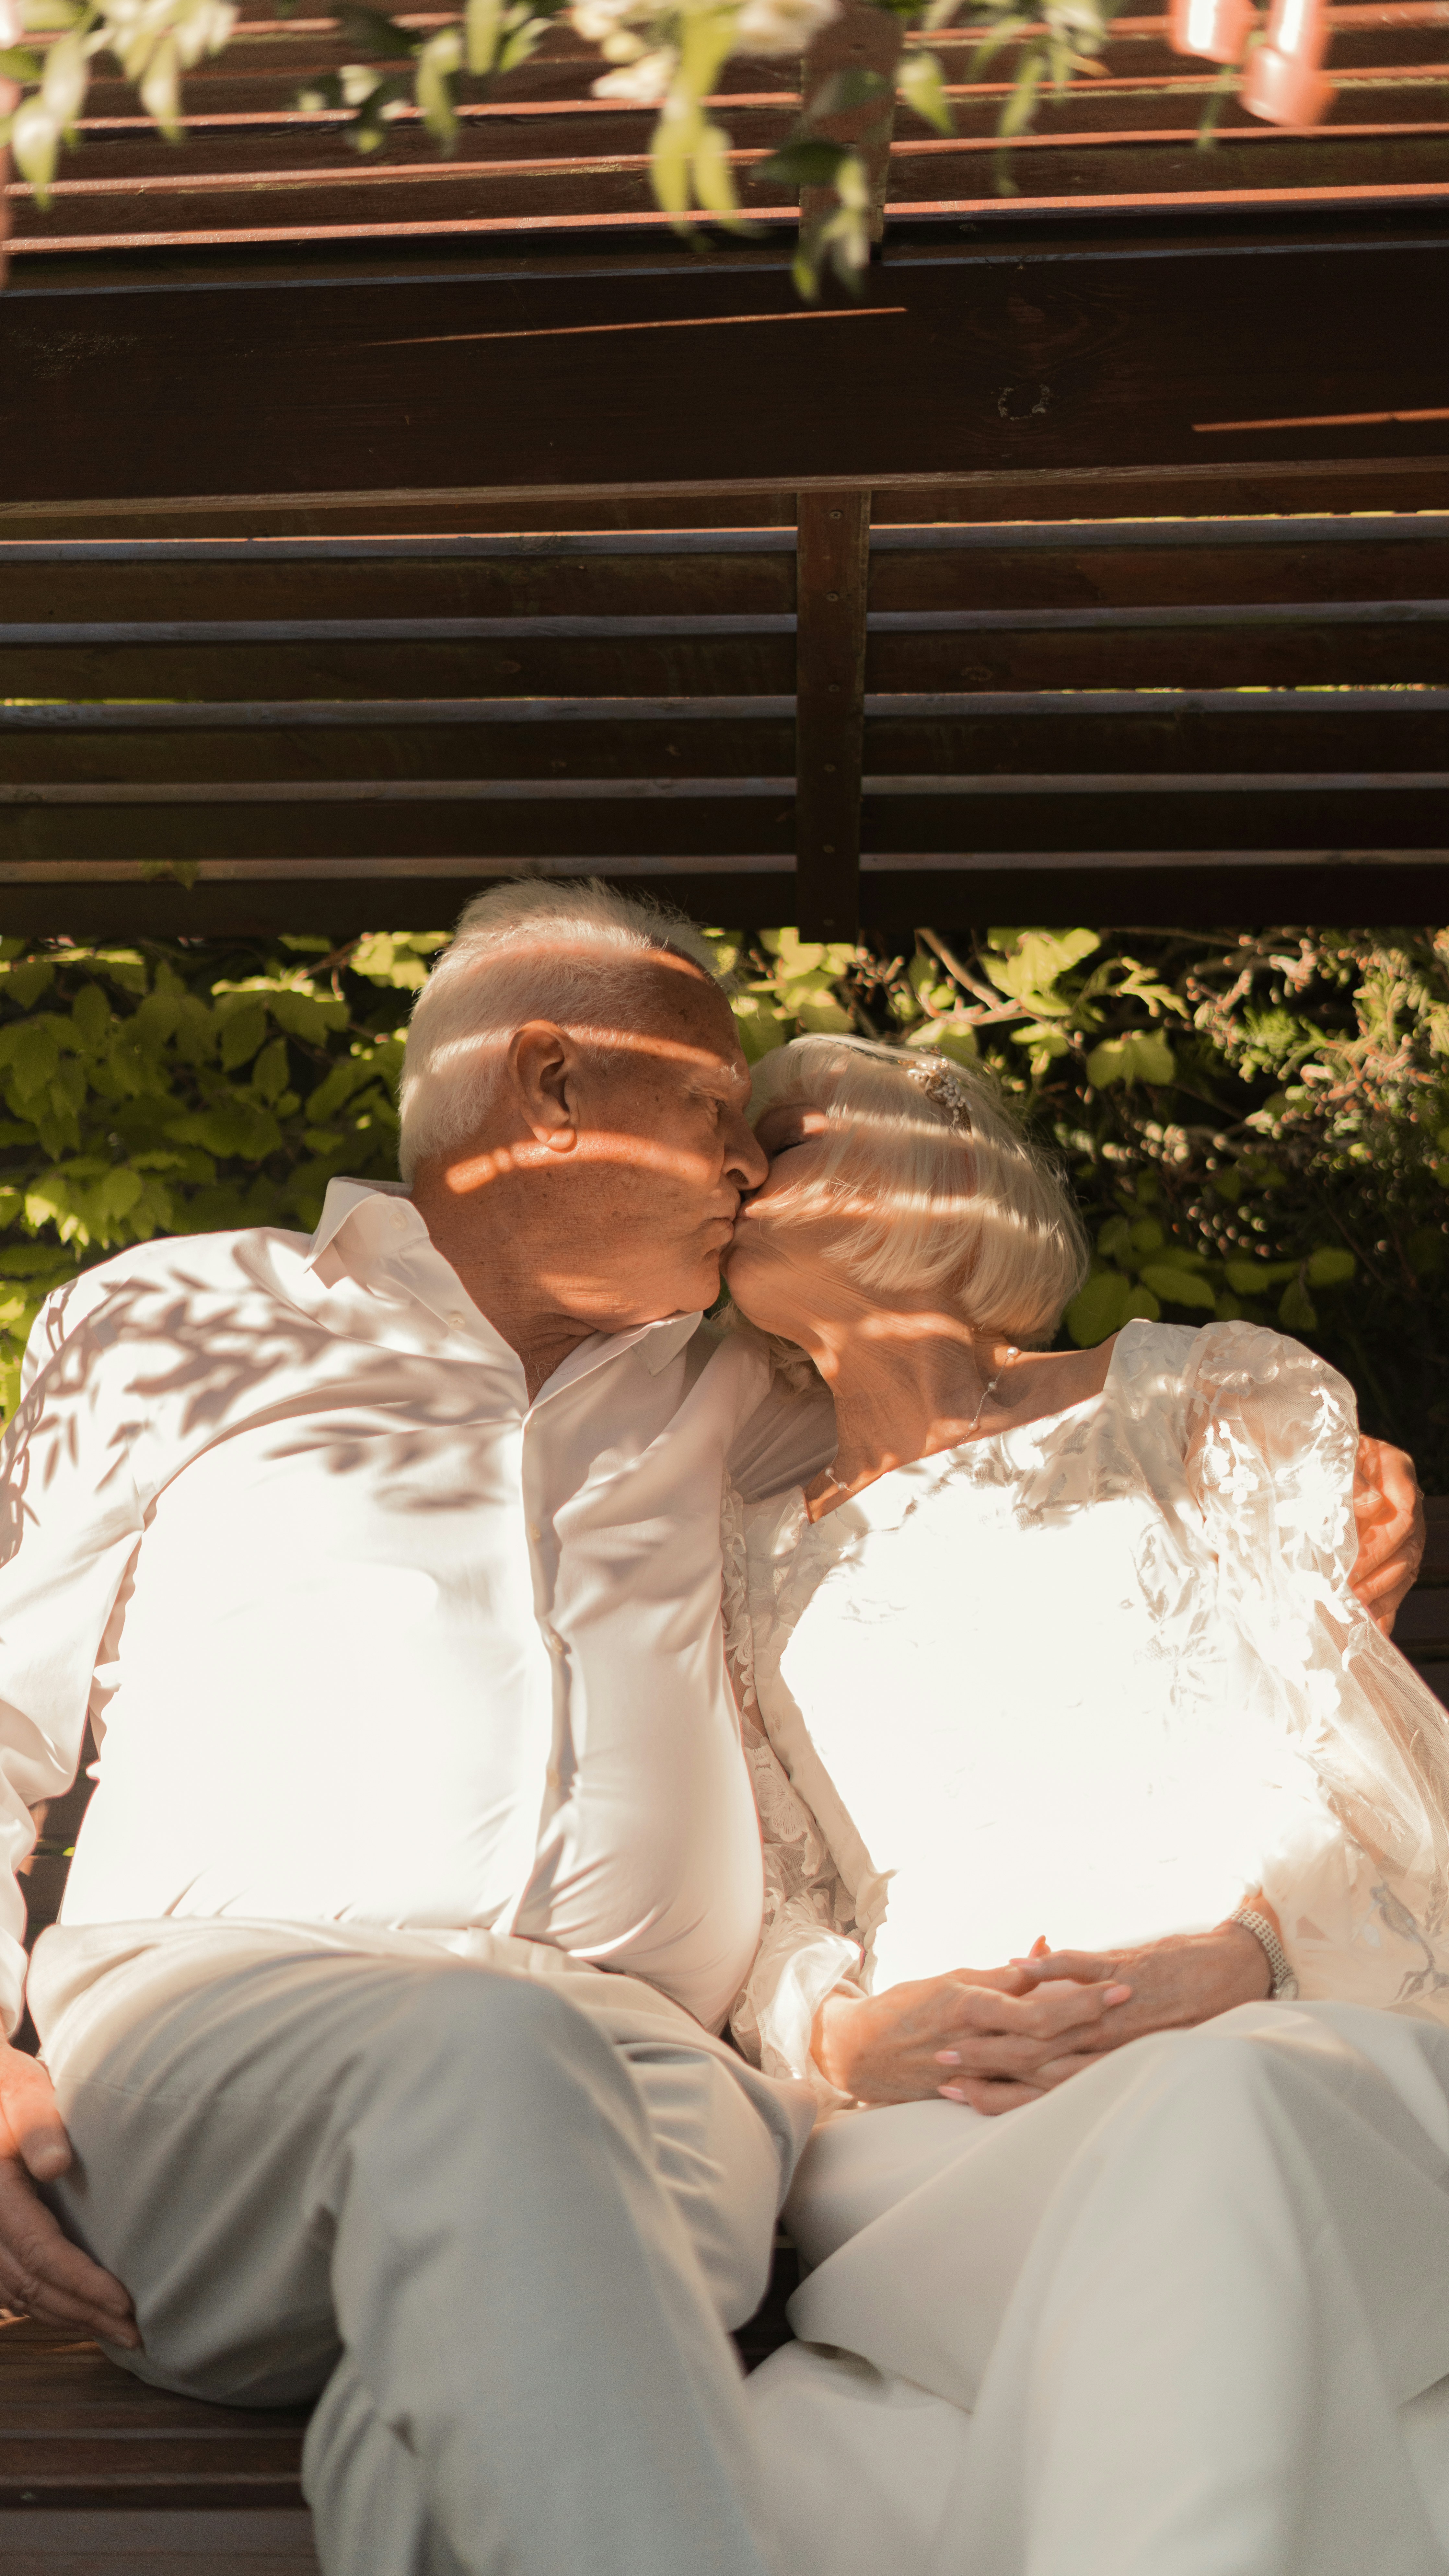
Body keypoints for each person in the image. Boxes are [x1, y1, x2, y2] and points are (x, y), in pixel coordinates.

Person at [0, 891, 1422, 2576]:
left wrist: (1272, 1456)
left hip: (662, 2078)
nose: (748, 1168)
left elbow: (990, 1413)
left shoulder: (736, 1401)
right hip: (223, 2030)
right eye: (713, 1114)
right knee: (486, 2071)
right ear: (549, 1085)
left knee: (505, 2357)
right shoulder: (184, 1322)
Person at [718, 1033, 1449, 2576]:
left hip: (1292, 2030)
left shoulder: (1202, 1403)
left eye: (763, 1134)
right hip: (949, 2110)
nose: (723, 1167)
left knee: (1213, 2109)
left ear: (916, 1151)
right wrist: (853, 2033)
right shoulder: (729, 1557)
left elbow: (1373, 1759)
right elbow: (765, 1889)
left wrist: (1235, 1957)